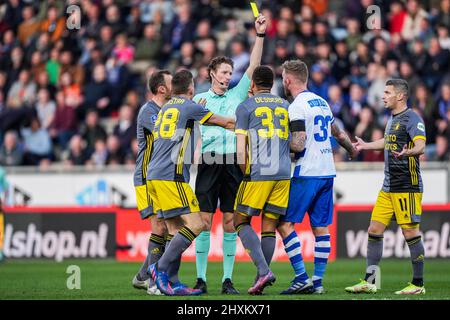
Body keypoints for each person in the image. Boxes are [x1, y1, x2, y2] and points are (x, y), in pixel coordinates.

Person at [192, 13, 267, 295]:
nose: (227, 76)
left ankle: (226, 280)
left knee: (230, 222)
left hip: (233, 163)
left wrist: (259, 36)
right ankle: (200, 279)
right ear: (212, 73)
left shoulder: (237, 95)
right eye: (223, 72)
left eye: (229, 72)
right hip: (209, 162)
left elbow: (254, 65)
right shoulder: (200, 99)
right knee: (202, 222)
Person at [147, 70, 235, 296]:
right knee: (197, 224)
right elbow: (222, 122)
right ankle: (159, 268)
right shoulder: (190, 107)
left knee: (175, 228)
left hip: (154, 175)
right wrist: (247, 124)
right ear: (191, 89)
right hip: (171, 176)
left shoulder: (167, 107)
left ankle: (173, 282)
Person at [277, 60, 357, 295]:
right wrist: (351, 149)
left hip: (307, 172)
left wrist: (276, 144)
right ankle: (318, 282)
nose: (282, 81)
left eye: (283, 77)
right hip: (327, 171)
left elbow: (298, 143)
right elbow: (337, 133)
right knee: (321, 228)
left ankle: (301, 277)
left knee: (285, 224)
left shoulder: (296, 106)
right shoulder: (322, 102)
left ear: (288, 80)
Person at [345, 79, 427, 295]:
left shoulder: (412, 118)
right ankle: (370, 281)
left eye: (387, 92)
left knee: (410, 232)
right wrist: (365, 146)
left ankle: (418, 284)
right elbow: (388, 141)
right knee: (374, 229)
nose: (383, 96)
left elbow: (421, 145)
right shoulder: (393, 118)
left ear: (400, 96)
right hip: (388, 186)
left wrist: (409, 152)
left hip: (406, 186)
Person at [233, 66, 291, 295]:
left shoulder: (246, 106)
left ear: (252, 85)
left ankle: (263, 270)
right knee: (269, 226)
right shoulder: (285, 105)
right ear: (273, 82)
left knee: (239, 220)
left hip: (259, 172)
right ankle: (260, 278)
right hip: (284, 172)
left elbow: (240, 150)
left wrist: (246, 171)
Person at [131, 70, 172, 295]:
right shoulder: (149, 111)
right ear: (161, 89)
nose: (175, 84)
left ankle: (142, 276)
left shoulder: (167, 110)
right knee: (160, 227)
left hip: (161, 177)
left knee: (165, 229)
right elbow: (165, 137)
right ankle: (154, 282)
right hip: (146, 177)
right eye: (171, 81)